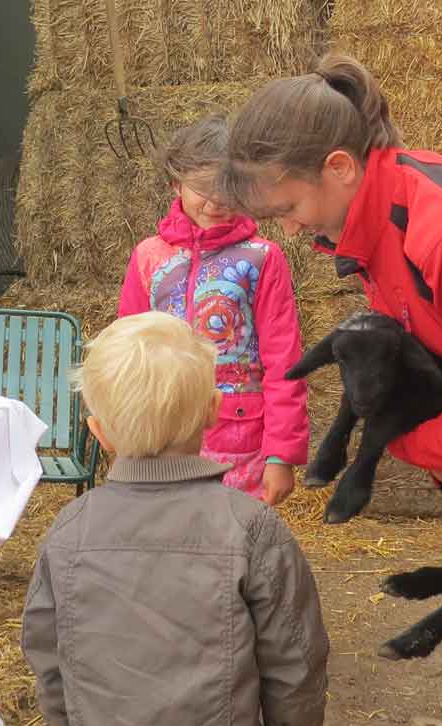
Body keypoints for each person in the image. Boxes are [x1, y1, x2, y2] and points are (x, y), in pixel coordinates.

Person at [221, 51, 442, 726]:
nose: (289, 228)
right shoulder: (375, 224)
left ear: (339, 167)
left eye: (286, 208)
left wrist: (409, 447)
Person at [21, 311, 329, 726]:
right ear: (213, 410)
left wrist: (59, 712)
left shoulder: (71, 530)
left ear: (98, 432)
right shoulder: (250, 527)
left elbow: (45, 637)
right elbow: (293, 647)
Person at [117, 114, 308, 506]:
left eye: (228, 187)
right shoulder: (148, 258)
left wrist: (281, 454)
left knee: (236, 542)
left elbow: (283, 359)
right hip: (161, 434)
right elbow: (125, 352)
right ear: (176, 183)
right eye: (203, 187)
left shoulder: (261, 259)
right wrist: (125, 433)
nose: (217, 201)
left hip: (242, 445)